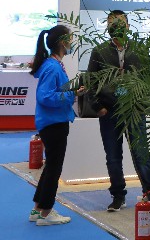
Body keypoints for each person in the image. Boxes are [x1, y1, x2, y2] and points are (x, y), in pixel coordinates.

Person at [86, 10, 150, 211]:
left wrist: (144, 105)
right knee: (113, 157)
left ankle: (149, 193)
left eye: (120, 23)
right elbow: (90, 81)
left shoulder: (140, 49)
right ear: (107, 27)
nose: (116, 27)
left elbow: (148, 79)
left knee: (141, 154)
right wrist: (98, 106)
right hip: (110, 112)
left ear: (128, 26)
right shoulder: (99, 51)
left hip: (134, 111)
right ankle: (118, 195)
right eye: (112, 24)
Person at [30, 25, 86, 226]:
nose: (72, 43)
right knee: (54, 168)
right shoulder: (53, 67)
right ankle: (46, 212)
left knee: (50, 166)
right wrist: (72, 94)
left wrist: (72, 92)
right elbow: (45, 96)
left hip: (53, 122)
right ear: (63, 42)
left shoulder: (53, 65)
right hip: (54, 123)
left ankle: (38, 209)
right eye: (70, 39)